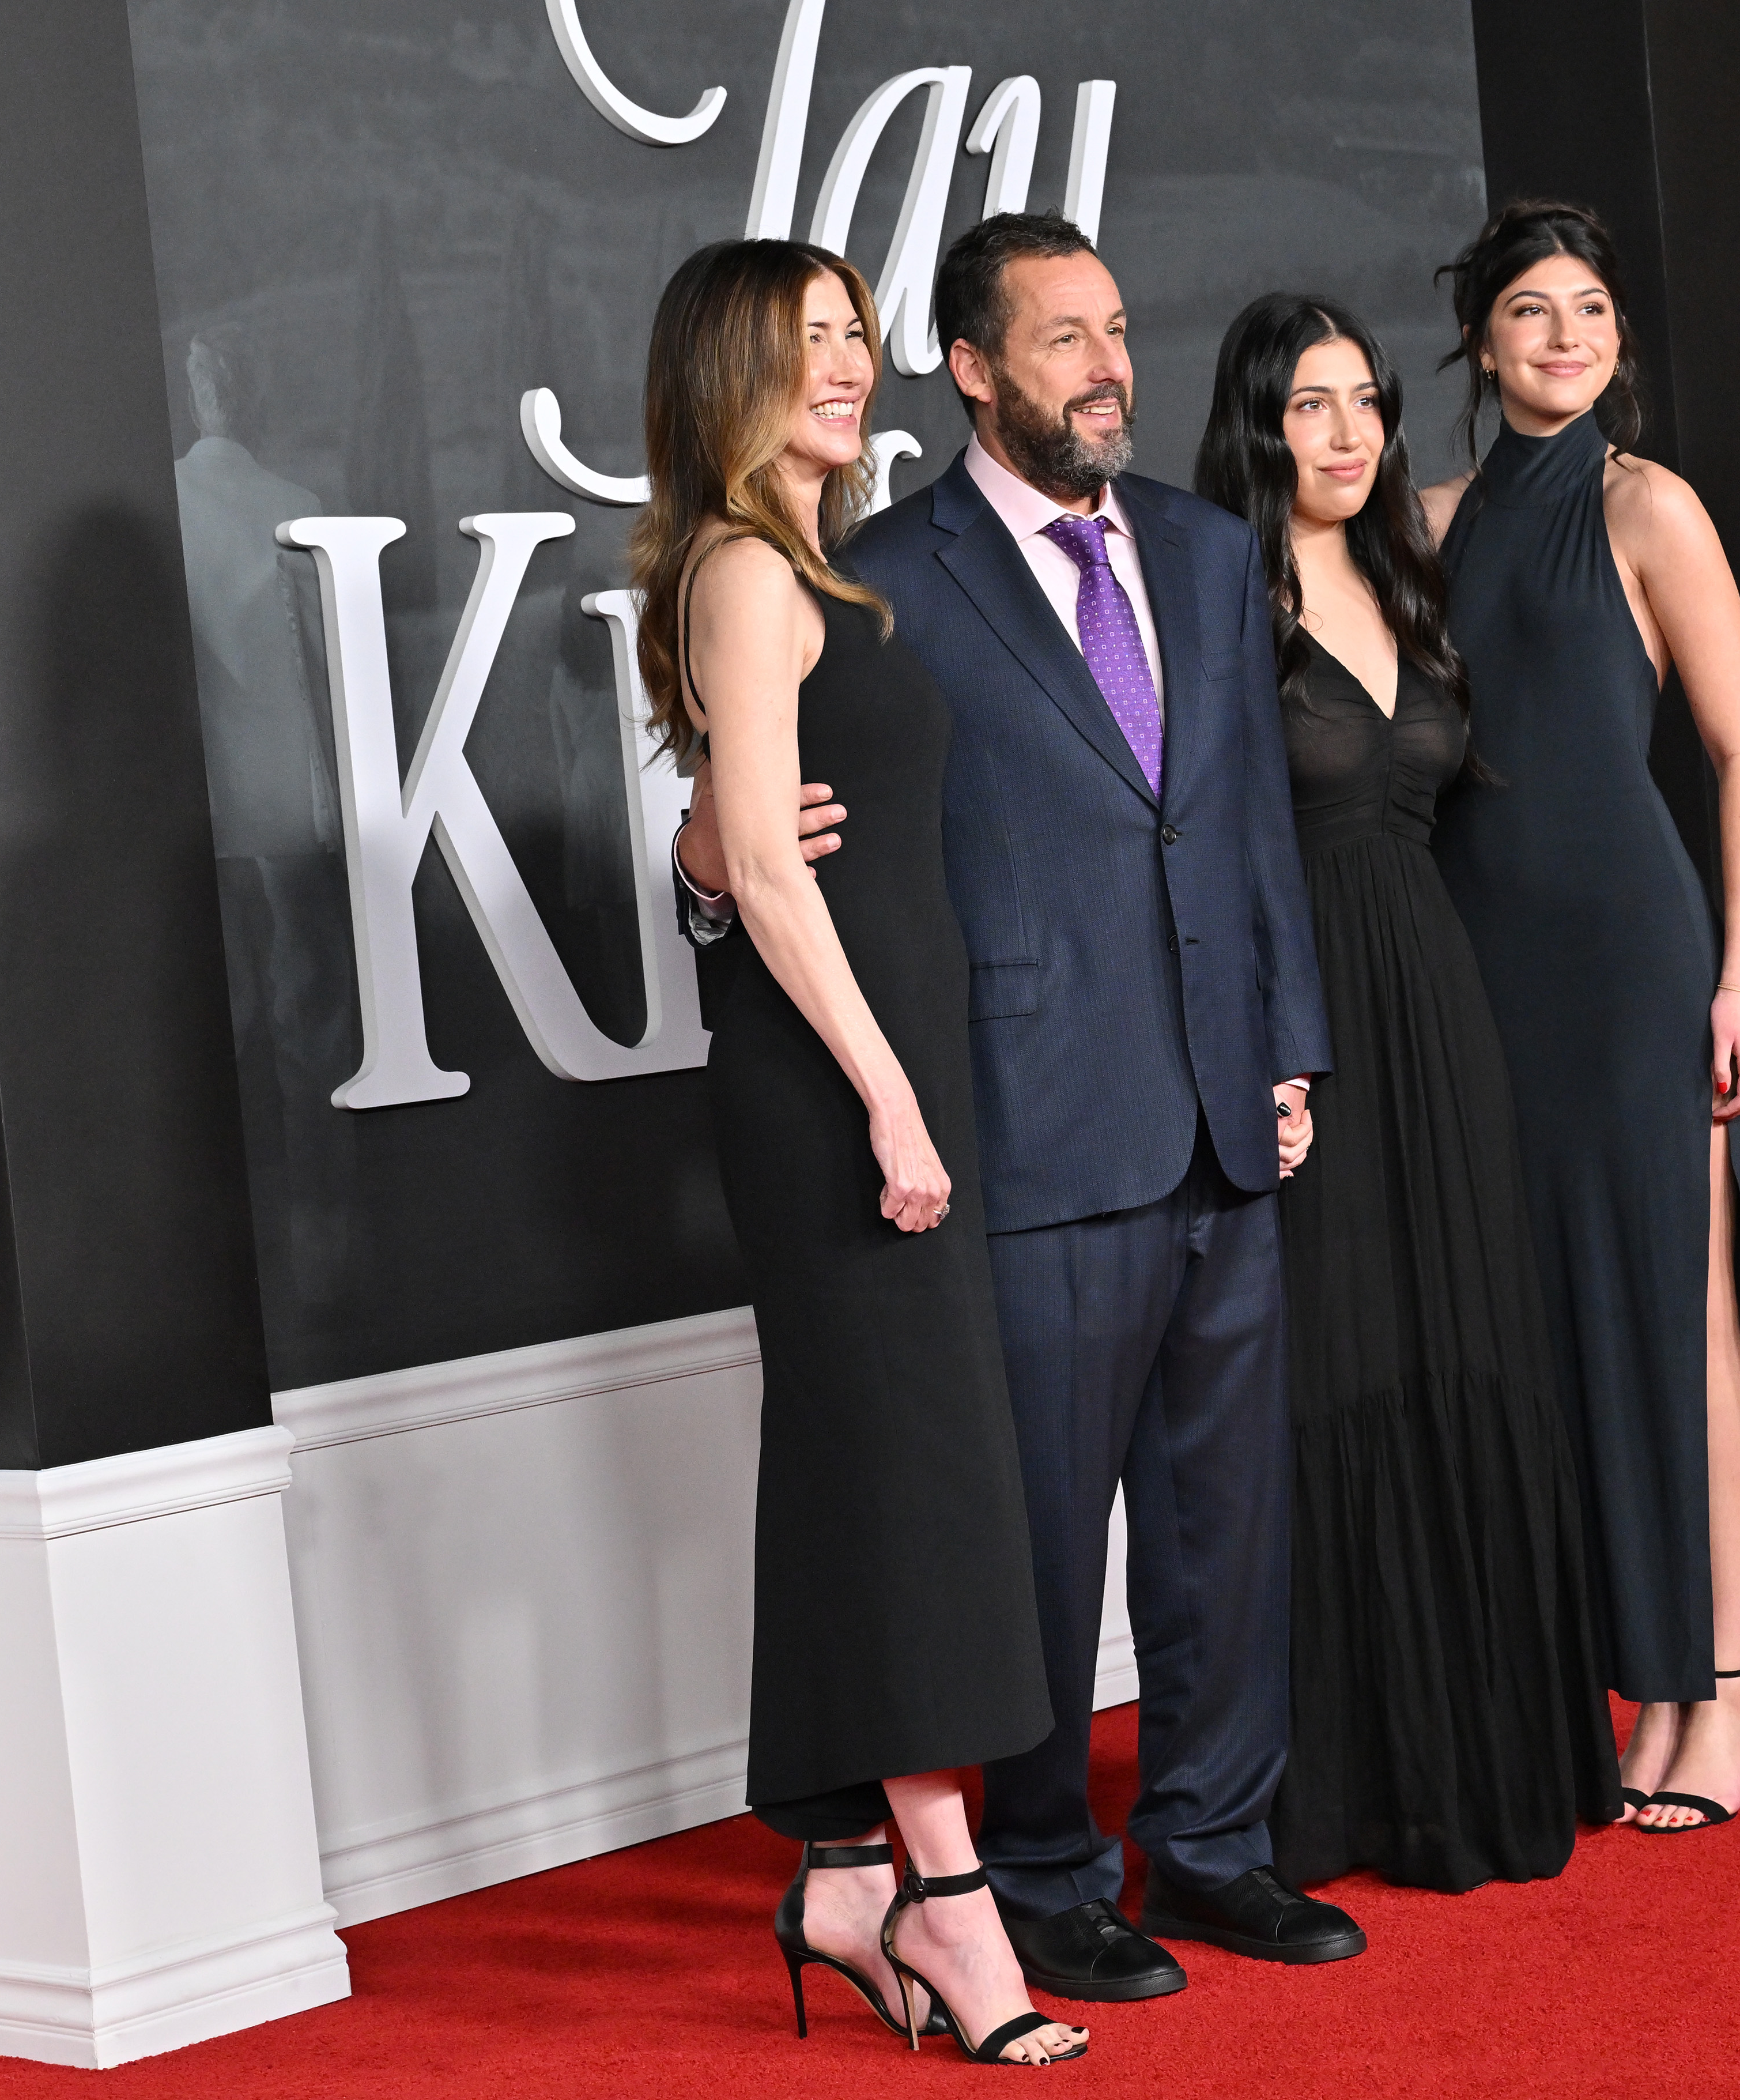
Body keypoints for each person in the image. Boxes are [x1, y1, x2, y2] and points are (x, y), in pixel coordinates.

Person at [679, 214, 1364, 2002]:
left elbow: (1239, 822)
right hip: (1025, 1113)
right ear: (974, 369)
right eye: (1058, 338)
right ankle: (1045, 1868)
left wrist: (1284, 1041)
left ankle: (1212, 1843)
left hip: (1222, 1100)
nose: (1102, 365)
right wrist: (697, 858)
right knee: (1040, 1532)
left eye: (1115, 329)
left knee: (1225, 1513)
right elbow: (785, 829)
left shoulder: (1212, 554)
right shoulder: (877, 572)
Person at [637, 239, 1081, 2066]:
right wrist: (889, 1096)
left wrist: (716, 852)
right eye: (805, 338)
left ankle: (839, 1871)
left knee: (856, 1472)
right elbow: (761, 861)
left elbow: (748, 845)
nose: (847, 362)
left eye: (853, 332)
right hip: (837, 1094)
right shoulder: (745, 568)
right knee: (916, 1490)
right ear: (728, 370)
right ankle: (951, 1903)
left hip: (875, 1070)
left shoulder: (809, 564)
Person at [1191, 292, 1621, 1890]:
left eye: (1365, 398)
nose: (1350, 431)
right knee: (1340, 1372)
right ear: (1253, 426)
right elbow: (1206, 859)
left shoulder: (1406, 577)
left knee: (1470, 1349)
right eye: (1309, 405)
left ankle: (1491, 1749)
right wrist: (1249, 1044)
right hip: (1305, 1035)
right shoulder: (1217, 598)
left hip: (1441, 1011)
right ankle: (1351, 1782)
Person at [1420, 198, 1740, 1834]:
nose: (1563, 334)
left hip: (1637, 958)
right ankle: (1626, 1666)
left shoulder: (1652, 510)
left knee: (1684, 1309)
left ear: (1618, 339)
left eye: (1588, 308)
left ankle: (1720, 1681)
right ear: (1478, 338)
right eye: (1529, 309)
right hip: (1482, 963)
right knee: (1553, 1327)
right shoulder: (1425, 523)